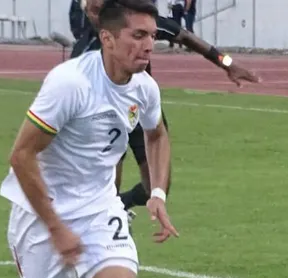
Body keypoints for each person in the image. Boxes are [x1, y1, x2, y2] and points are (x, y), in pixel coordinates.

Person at [1, 0, 180, 278]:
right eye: (137, 36)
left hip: (100, 207)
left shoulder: (145, 87)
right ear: (107, 38)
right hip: (40, 212)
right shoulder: (70, 84)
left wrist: (157, 193)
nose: (148, 45)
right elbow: (21, 156)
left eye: (152, 35)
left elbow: (156, 134)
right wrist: (57, 227)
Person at [74, 0, 259, 217]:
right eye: (92, 10)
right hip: (105, 120)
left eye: (100, 8)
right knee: (106, 190)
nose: (96, 15)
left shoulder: (135, 24)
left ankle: (121, 205)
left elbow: (186, 37)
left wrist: (226, 63)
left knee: (158, 187)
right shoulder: (83, 52)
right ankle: (108, 222)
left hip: (141, 112)